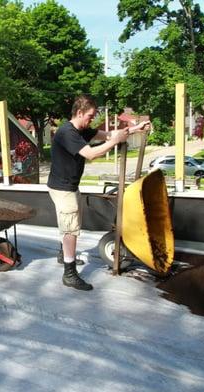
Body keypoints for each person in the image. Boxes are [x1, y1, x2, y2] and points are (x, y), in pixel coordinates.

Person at [47, 94, 152, 291]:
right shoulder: (67, 132)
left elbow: (109, 135)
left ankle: (64, 254)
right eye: (90, 115)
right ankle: (69, 274)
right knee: (71, 228)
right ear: (79, 112)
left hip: (69, 186)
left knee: (71, 222)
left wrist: (135, 129)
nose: (92, 119)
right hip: (62, 188)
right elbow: (91, 154)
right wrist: (115, 141)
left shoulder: (81, 130)